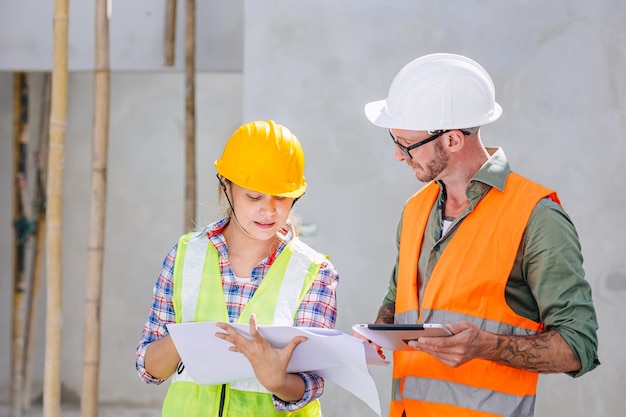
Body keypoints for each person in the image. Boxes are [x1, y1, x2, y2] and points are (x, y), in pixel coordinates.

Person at [361, 53, 600, 417]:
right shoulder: (415, 210)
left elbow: (578, 346)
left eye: (406, 144)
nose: (397, 155)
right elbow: (398, 304)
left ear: (453, 140)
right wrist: (370, 337)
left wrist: (486, 346)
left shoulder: (536, 217)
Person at [135, 120, 339, 417]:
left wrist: (277, 380)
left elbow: (311, 383)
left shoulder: (313, 273)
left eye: (281, 197)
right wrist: (184, 340)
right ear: (225, 187)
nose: (268, 210)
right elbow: (149, 367)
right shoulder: (184, 257)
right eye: (254, 196)